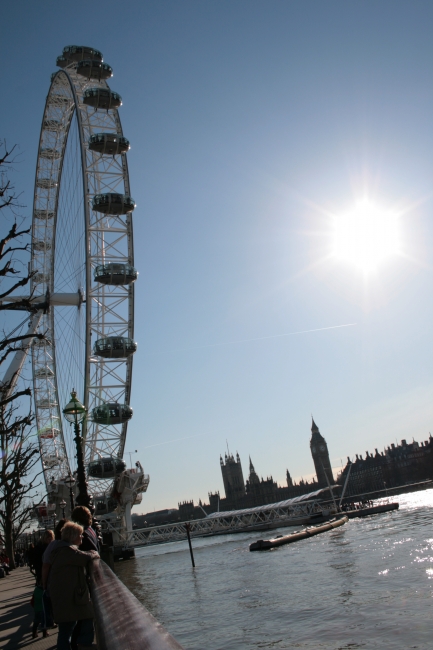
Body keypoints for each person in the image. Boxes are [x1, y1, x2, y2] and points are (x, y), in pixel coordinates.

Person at [49, 521, 99, 650]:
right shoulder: (67, 551)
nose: (82, 537)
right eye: (80, 535)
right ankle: (84, 644)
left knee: (67, 629)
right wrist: (94, 553)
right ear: (73, 536)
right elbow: (85, 557)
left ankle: (82, 643)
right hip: (67, 599)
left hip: (64, 597)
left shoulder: (62, 549)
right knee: (85, 617)